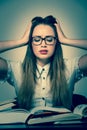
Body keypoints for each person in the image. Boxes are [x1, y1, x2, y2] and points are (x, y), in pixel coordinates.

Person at [0, 15, 87, 111]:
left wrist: (65, 40)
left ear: (56, 42)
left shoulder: (71, 66)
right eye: (37, 39)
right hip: (27, 125)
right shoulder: (16, 68)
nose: (43, 44)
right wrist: (21, 41)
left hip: (62, 125)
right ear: (30, 42)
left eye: (49, 39)